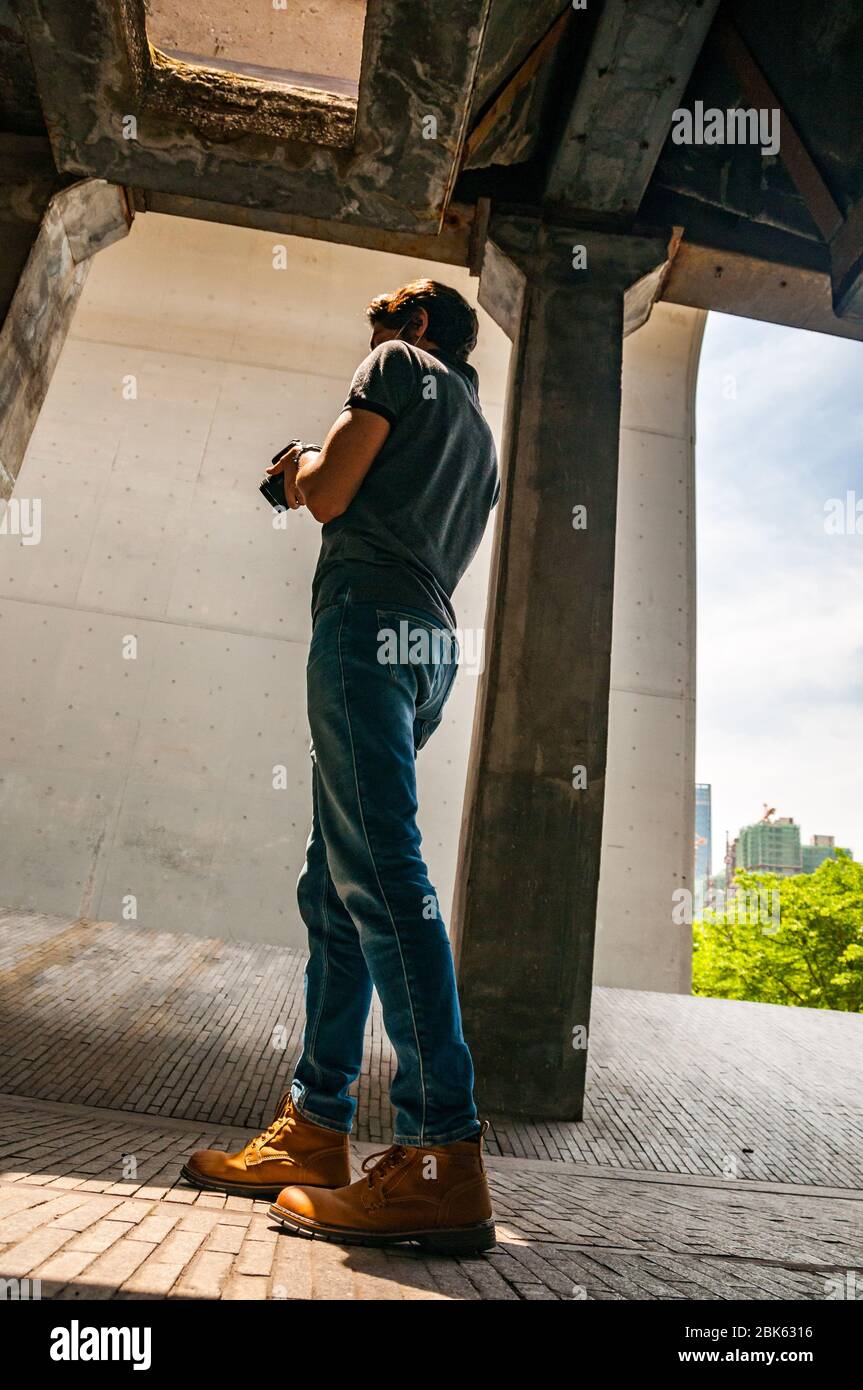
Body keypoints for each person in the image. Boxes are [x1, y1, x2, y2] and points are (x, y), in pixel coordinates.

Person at [182, 279, 500, 1254]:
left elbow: (329, 495)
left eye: (383, 313)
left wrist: (298, 469)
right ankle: (315, 1131)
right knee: (337, 882)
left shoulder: (398, 368)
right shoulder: (482, 443)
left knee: (379, 873)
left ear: (416, 327)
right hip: (432, 644)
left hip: (365, 618)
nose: (369, 326)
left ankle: (438, 1155)